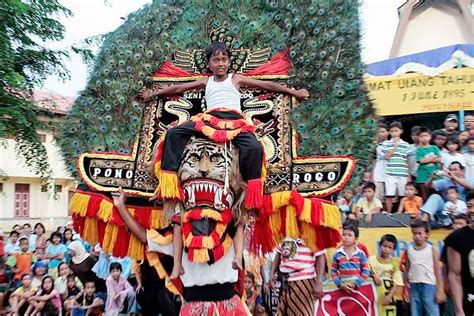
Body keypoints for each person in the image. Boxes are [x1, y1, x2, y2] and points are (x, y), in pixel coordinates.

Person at [270, 238, 326, 316]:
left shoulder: (311, 234)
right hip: (284, 280)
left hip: (304, 280)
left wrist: (319, 282)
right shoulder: (285, 235)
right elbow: (279, 254)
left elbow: (320, 256)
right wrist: (272, 273)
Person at [403, 219, 444, 316]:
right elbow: (407, 270)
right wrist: (405, 288)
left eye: (420, 233)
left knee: (432, 312)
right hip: (414, 285)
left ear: (426, 234)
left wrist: (440, 291)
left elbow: (438, 271)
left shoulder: (432, 249)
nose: (417, 236)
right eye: (414, 233)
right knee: (415, 312)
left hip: (429, 285)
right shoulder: (409, 250)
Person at [445, 190, 474, 315]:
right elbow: (454, 275)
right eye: (469, 206)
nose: (472, 210)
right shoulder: (456, 238)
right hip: (469, 300)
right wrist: (458, 309)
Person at [421, 162, 474, 226]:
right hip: (447, 212)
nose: (452, 172)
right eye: (450, 170)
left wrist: (454, 177)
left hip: (463, 213)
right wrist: (432, 178)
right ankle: (423, 223)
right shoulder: (445, 181)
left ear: (462, 171)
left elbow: (470, 187)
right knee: (435, 197)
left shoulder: (469, 181)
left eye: (455, 170)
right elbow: (427, 186)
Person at [382, 121, 415, 213]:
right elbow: (386, 156)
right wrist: (395, 147)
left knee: (402, 194)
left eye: (396, 131)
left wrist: (409, 174)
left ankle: (401, 213)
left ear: (401, 131)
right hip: (390, 173)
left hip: (402, 173)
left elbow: (407, 160)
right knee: (389, 194)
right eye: (392, 131)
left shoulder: (406, 145)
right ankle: (389, 213)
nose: (394, 133)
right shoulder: (386, 144)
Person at [368, 234, 403, 315]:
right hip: (373, 294)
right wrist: (373, 276)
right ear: (380, 245)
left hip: (386, 296)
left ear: (393, 250)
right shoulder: (371, 259)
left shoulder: (394, 264)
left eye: (390, 247)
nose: (386, 249)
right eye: (384, 246)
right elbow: (365, 272)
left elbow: (396, 283)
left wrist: (389, 296)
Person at [331, 223, 370, 293]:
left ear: (356, 239)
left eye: (349, 235)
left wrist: (356, 284)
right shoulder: (337, 254)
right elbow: (333, 271)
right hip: (343, 288)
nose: (346, 237)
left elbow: (366, 271)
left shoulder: (361, 254)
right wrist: (340, 284)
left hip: (358, 288)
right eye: (344, 234)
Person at [415, 127, 441, 200]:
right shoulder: (418, 149)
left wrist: (427, 159)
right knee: (425, 195)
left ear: (430, 137)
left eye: (426, 136)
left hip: (435, 175)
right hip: (423, 176)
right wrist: (433, 158)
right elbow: (421, 161)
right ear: (418, 138)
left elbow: (439, 159)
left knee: (437, 193)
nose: (424, 138)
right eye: (421, 136)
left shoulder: (434, 148)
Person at [373, 124, 389, 201]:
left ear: (387, 133)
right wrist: (372, 175)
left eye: (383, 132)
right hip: (378, 174)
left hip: (389, 173)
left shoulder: (392, 145)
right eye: (379, 132)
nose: (381, 134)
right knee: (378, 198)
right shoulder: (375, 146)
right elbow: (374, 160)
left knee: (389, 198)